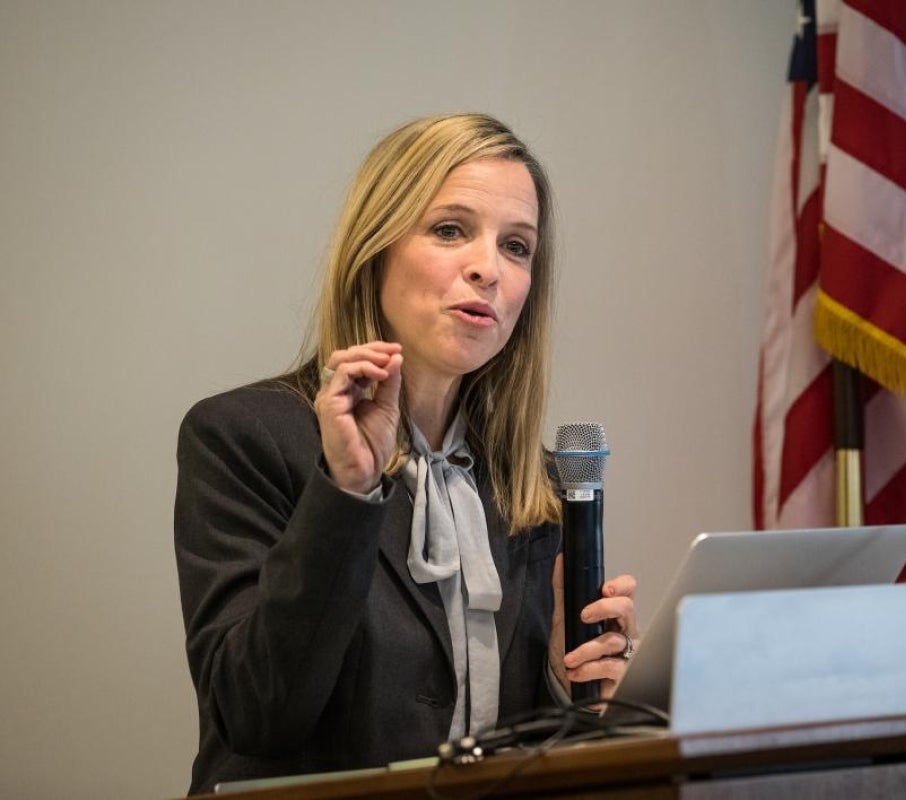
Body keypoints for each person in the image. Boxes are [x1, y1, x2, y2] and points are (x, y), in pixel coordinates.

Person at [174, 113, 639, 795]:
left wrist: (583, 695)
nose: (487, 268)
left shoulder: (537, 482)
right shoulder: (242, 436)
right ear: (375, 248)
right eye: (450, 230)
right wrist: (347, 493)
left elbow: (522, 746)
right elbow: (257, 716)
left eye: (517, 247)